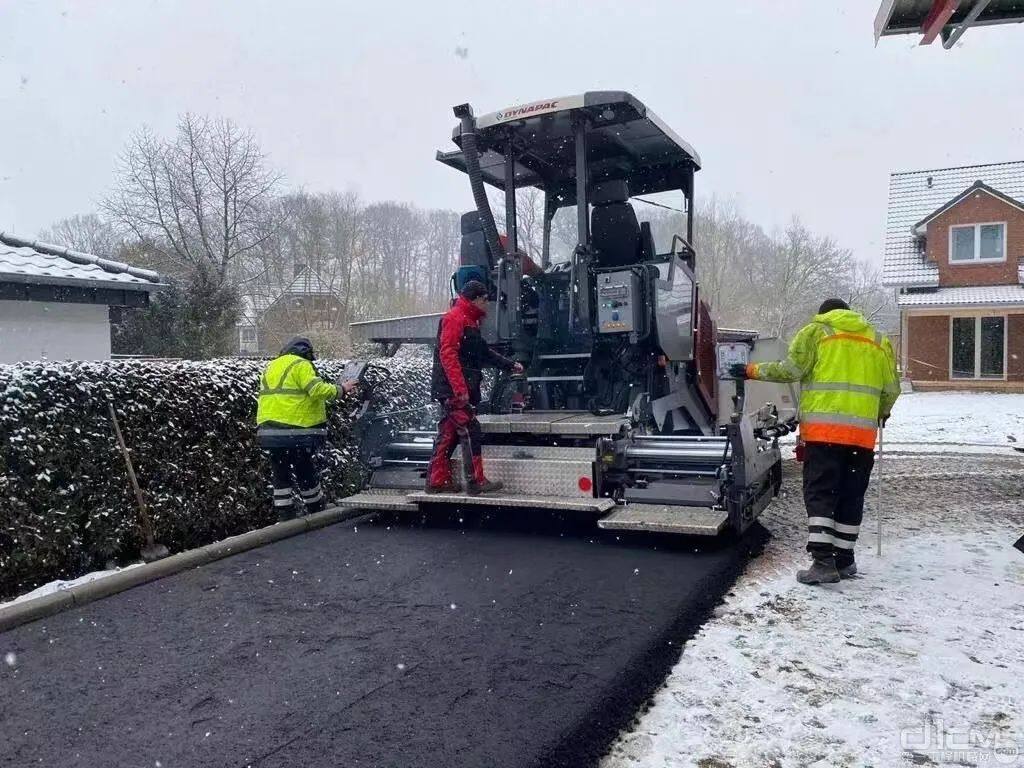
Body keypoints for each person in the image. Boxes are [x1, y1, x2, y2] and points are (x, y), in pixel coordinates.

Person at [730, 298, 900, 585]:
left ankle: (823, 562)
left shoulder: (817, 332)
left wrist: (750, 371)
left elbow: (790, 370)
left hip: (825, 435)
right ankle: (845, 560)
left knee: (821, 493)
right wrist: (881, 412)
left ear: (825, 314)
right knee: (851, 495)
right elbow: (891, 389)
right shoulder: (878, 340)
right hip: (862, 437)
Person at [426, 280, 524, 495]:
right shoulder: (454, 319)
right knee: (471, 429)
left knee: (448, 432)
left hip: (453, 389)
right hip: (453, 390)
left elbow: (483, 352)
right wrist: (460, 391)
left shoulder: (469, 321)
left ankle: (436, 481)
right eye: (485, 300)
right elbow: (448, 354)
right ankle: (475, 482)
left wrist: (509, 365)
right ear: (476, 299)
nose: (487, 305)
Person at [256, 337, 358, 520]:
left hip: (269, 433)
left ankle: (285, 515)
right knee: (305, 469)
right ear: (306, 352)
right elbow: (317, 390)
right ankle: (316, 510)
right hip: (296, 431)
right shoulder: (301, 364)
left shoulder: (272, 366)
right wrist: (342, 388)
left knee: (280, 474)